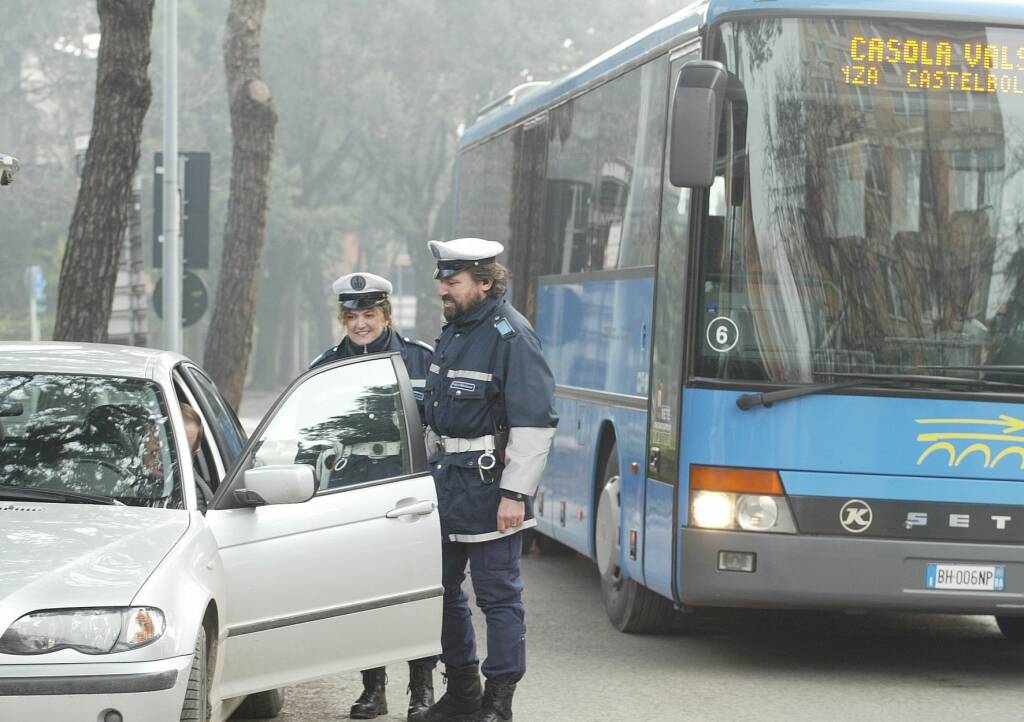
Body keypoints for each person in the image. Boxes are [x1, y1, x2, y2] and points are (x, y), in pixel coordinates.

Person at [420, 238, 557, 722]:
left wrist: (515, 493)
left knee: (497, 593)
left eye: (452, 281)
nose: (443, 289)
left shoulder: (510, 335)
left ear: (484, 281)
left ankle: (498, 704)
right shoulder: (455, 331)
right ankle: (462, 692)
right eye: (442, 280)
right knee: (440, 589)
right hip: (445, 484)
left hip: (491, 486)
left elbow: (534, 422)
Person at [310, 271, 438, 721]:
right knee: (365, 594)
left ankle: (422, 688)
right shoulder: (327, 366)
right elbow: (311, 436)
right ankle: (373, 689)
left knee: (416, 594)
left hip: (410, 493)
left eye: (369, 314)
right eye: (352, 315)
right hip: (355, 492)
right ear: (343, 318)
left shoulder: (422, 360)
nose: (361, 324)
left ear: (386, 314)